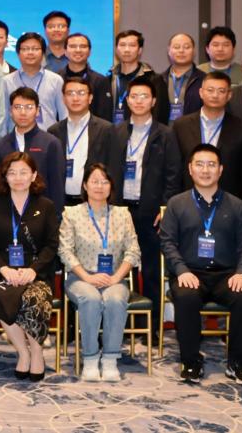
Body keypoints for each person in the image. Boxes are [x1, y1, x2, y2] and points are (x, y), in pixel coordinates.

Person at [160, 144, 242, 384]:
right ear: (190, 169)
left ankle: (239, 363)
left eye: (211, 165)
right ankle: (191, 362)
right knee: (186, 298)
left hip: (226, 274)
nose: (205, 170)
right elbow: (167, 242)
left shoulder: (237, 206)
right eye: (200, 164)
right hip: (190, 273)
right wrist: (181, 270)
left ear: (221, 170)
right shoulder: (176, 204)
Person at [111, 77, 181, 341]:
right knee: (122, 269)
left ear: (153, 101)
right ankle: (126, 325)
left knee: (152, 270)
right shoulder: (116, 132)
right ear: (127, 101)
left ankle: (152, 328)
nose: (138, 101)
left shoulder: (166, 134)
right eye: (134, 96)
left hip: (151, 212)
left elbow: (173, 174)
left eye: (144, 96)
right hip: (121, 211)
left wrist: (165, 207)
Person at [0, 152, 60, 381]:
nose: (18, 178)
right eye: (12, 173)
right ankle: (23, 352)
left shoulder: (45, 206)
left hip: (36, 272)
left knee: (33, 297)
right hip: (2, 272)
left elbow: (51, 245)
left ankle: (36, 351)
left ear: (33, 175)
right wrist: (4, 269)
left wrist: (33, 269)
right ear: (4, 177)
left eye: (24, 172)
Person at [58, 163, 141, 382]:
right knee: (91, 298)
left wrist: (116, 277)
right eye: (94, 181)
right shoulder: (72, 214)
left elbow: (133, 251)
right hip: (80, 277)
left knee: (115, 299)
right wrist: (88, 277)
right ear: (85, 185)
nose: (99, 186)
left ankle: (110, 360)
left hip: (114, 277)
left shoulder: (122, 214)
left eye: (105, 181)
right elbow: (65, 251)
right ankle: (91, 359)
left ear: (111, 186)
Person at [172, 71, 242, 214]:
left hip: (229, 206)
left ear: (229, 95)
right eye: (210, 90)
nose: (215, 95)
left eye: (221, 91)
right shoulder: (181, 126)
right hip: (187, 204)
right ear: (201, 93)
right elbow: (174, 169)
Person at [48, 78, 117, 208]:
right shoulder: (53, 131)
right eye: (70, 93)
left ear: (90, 98)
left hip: (93, 201)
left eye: (81, 93)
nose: (75, 98)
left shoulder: (106, 129)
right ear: (63, 99)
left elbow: (113, 168)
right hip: (61, 202)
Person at [0, 87, 65, 211]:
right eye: (17, 107)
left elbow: (57, 187)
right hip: (8, 212)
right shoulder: (1, 145)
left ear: (37, 111)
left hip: (42, 213)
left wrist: (56, 216)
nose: (23, 112)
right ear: (10, 111)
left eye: (29, 107)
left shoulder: (51, 143)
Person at [1, 32, 66, 133]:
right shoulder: (6, 81)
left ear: (43, 53)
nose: (30, 53)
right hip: (16, 138)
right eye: (25, 49)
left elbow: (64, 115)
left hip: (48, 137)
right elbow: (3, 117)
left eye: (35, 49)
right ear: (18, 53)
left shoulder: (56, 80)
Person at [99, 29, 166, 125]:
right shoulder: (108, 79)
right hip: (110, 132)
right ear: (116, 49)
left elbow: (159, 113)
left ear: (140, 50)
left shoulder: (153, 80)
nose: (126, 50)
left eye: (132, 45)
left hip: (142, 131)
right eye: (122, 45)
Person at [158, 33, 204, 124]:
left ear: (194, 51)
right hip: (163, 131)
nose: (181, 51)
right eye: (176, 47)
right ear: (169, 51)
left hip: (192, 130)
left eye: (187, 47)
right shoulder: (158, 80)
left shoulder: (204, 80)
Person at [60, 33, 106, 116]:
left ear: (89, 52)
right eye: (73, 46)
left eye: (83, 46)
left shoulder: (100, 80)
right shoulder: (56, 78)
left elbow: (104, 115)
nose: (78, 50)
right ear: (65, 51)